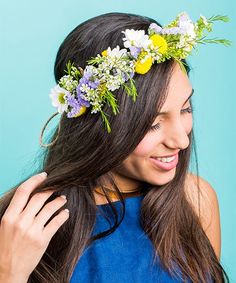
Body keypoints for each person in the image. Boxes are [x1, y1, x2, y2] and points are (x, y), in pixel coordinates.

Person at [0, 11, 231, 283]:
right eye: (153, 124)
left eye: (185, 109)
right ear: (99, 127)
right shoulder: (26, 225)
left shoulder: (196, 200)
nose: (180, 140)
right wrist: (9, 274)